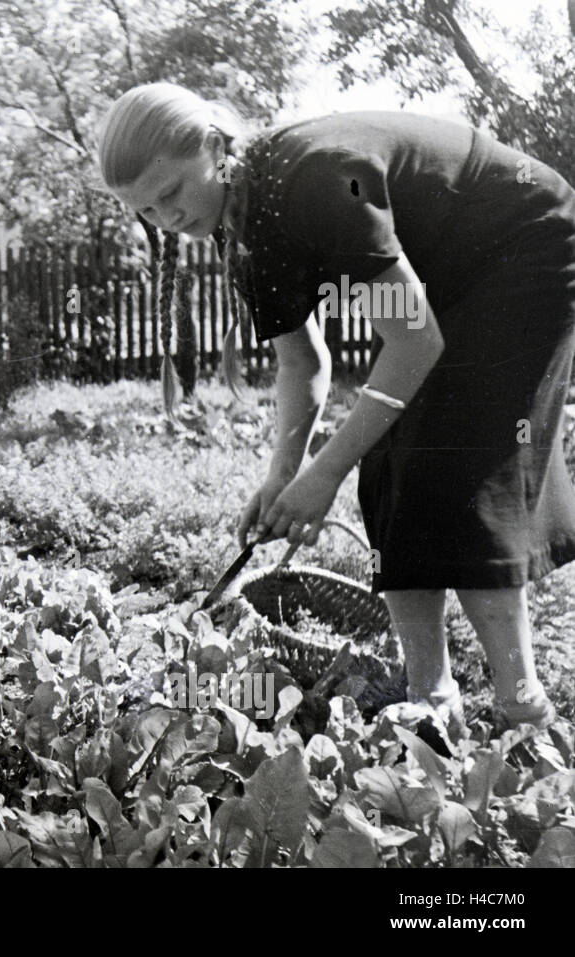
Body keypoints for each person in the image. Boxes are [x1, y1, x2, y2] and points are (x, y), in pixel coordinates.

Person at [98, 82, 575, 734]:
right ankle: (432, 703)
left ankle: (525, 712)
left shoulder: (314, 186)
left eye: (172, 192)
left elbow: (413, 340)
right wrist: (284, 475)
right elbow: (303, 362)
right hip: (443, 276)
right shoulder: (237, 228)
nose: (167, 218)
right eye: (146, 211)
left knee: (459, 465)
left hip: (525, 246)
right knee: (386, 464)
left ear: (214, 148)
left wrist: (322, 475)